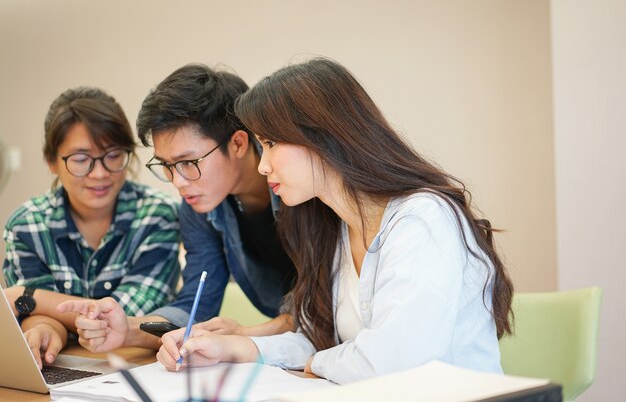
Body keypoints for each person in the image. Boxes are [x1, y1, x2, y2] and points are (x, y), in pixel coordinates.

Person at [156, 58, 515, 384]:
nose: (263, 165)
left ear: (323, 136)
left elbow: (396, 361)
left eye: (271, 144)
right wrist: (236, 348)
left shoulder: (422, 219)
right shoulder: (336, 227)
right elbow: (321, 338)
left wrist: (318, 362)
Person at [58, 64, 296, 352]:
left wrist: (244, 334)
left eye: (188, 163)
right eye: (167, 166)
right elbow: (194, 306)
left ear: (237, 143)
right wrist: (128, 328)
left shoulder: (297, 185)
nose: (178, 182)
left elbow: (326, 308)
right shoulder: (198, 208)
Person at [2, 87, 181, 368]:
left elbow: (123, 315)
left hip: (140, 367)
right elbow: (40, 317)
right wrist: (45, 328)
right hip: (69, 368)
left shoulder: (157, 215)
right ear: (52, 161)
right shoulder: (27, 224)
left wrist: (30, 298)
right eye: (81, 159)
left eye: (113, 155)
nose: (100, 173)